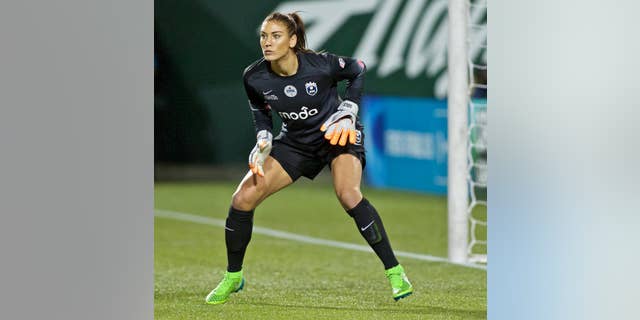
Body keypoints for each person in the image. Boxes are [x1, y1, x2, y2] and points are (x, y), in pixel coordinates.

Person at [205, 11, 413, 305]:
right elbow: (260, 111)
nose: (267, 42)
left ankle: (395, 271)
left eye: (275, 36)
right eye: (264, 36)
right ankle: (233, 276)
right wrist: (263, 139)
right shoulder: (254, 76)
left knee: (348, 194)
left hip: (335, 135)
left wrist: (349, 109)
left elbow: (358, 68)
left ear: (292, 40)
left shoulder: (320, 65)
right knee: (242, 199)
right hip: (295, 144)